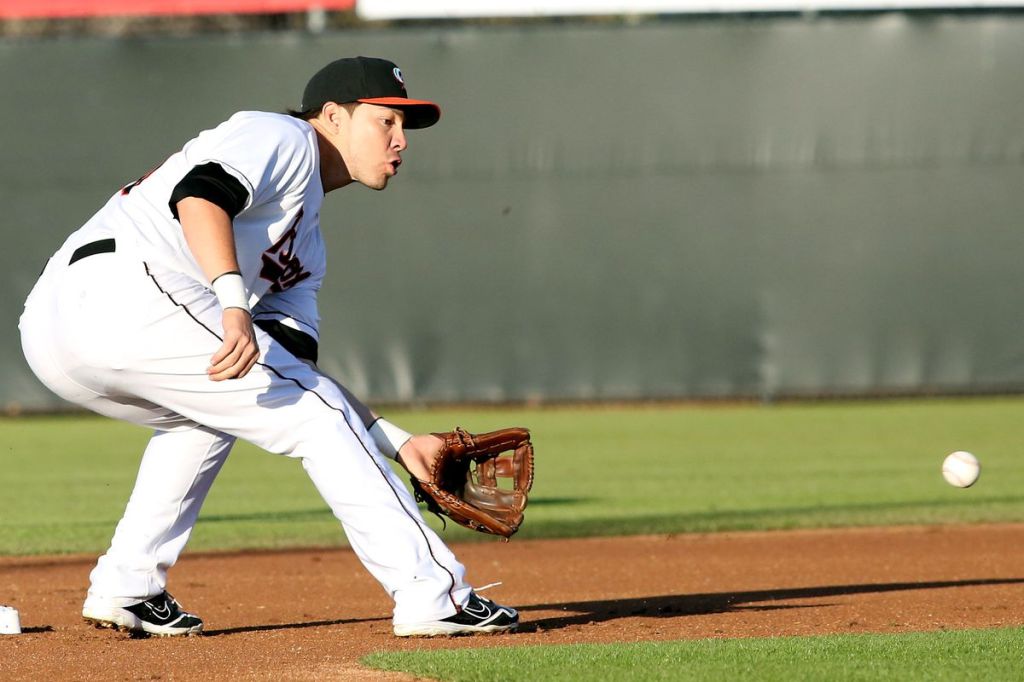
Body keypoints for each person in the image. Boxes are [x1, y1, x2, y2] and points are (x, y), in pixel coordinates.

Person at [18, 56, 518, 638]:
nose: (401, 141)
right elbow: (199, 195)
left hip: (65, 330)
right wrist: (233, 302)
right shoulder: (283, 136)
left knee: (216, 412)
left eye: (405, 128)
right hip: (122, 289)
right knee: (305, 413)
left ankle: (128, 586)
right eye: (387, 121)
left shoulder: (308, 249)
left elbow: (295, 381)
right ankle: (435, 594)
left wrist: (399, 444)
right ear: (333, 115)